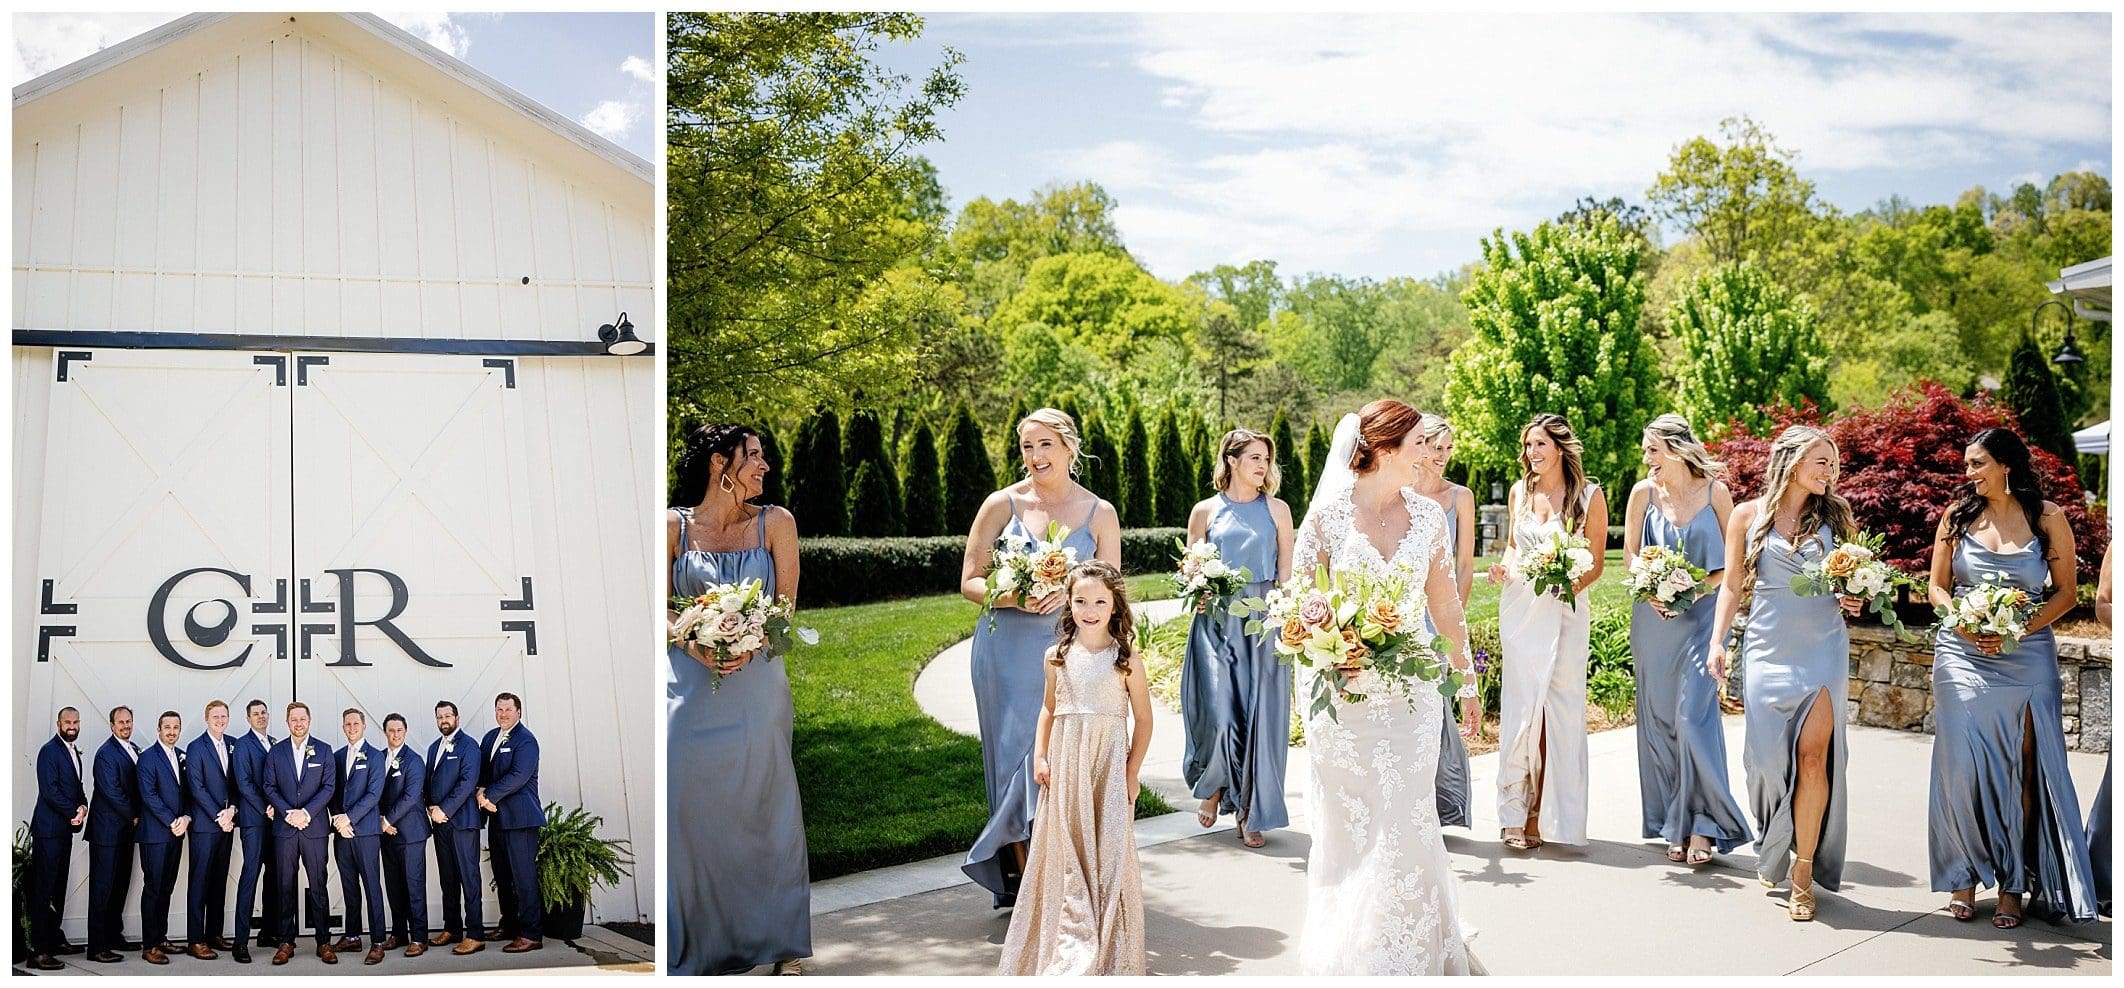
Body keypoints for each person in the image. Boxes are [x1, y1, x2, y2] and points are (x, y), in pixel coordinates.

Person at [1294, 401, 1478, 974]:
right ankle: (1354, 945)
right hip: (1343, 701)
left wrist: (1466, 683)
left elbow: (1445, 608)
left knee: (1406, 815)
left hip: (1410, 699)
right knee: (1352, 826)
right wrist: (1329, 645)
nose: (1430, 452)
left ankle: (1407, 951)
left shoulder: (1428, 518)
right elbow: (1296, 609)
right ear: (1384, 447)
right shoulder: (1325, 520)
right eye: (1419, 442)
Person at [1924, 428, 2096, 927]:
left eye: (1977, 463)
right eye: (1967, 464)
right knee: (1960, 767)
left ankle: (2013, 884)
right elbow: (1937, 587)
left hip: (2026, 655)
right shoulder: (1956, 517)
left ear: (2006, 465)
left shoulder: (2048, 517)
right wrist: (1963, 619)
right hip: (1961, 653)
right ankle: (1961, 875)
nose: (1969, 473)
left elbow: (2066, 594)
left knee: (2022, 768)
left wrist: (2017, 627)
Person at [959, 408, 1122, 908]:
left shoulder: (1100, 512)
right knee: (1016, 763)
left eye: (1045, 444)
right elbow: (970, 582)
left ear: (1070, 447)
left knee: (1059, 763)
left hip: (1070, 655)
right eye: (1028, 446)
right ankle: (1033, 890)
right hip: (1005, 654)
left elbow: (1111, 591)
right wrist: (1015, 595)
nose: (1035, 456)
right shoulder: (999, 505)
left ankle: (1066, 877)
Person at [667, 423, 810, 974]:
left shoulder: (777, 523)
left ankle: (780, 943)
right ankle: (701, 942)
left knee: (765, 803)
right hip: (689, 683)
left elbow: (786, 604)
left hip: (758, 684)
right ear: (718, 463)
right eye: (753, 455)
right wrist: (696, 640)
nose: (764, 465)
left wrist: (750, 638)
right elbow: (662, 608)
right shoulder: (674, 527)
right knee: (690, 803)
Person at [1705, 425, 1862, 921]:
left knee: (1814, 760)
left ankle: (1803, 873)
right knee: (1767, 765)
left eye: (1833, 463)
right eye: (1822, 461)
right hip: (1767, 649)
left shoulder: (1836, 516)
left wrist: (1856, 595)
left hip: (1823, 649)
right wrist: (1718, 641)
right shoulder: (1748, 516)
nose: (1830, 471)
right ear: (1793, 461)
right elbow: (1731, 586)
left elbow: (1851, 579)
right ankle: (1773, 838)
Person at [998, 560, 1152, 975]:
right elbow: (1049, 709)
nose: (1090, 609)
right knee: (1069, 852)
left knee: (1108, 852)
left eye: (1100, 601)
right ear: (1068, 602)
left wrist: (1131, 770)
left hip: (1106, 767)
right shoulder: (1057, 656)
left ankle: (1108, 945)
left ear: (1115, 606)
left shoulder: (1125, 658)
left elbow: (1145, 719)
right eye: (1081, 600)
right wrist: (1040, 755)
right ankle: (1070, 941)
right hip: (1067, 768)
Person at [1622, 415, 1751, 866]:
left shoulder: (1716, 492)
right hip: (1653, 620)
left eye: (1652, 450)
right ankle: (1676, 824)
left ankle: (1705, 825)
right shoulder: (1642, 494)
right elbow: (1631, 555)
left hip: (1701, 618)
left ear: (1676, 449)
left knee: (1694, 718)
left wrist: (1691, 590)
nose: (1647, 459)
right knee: (1660, 722)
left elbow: (1735, 565)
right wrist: (1652, 587)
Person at [1488, 413, 1605, 850]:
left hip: (1566, 612)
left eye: (1540, 445)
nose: (1532, 453)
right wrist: (1503, 568)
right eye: (1528, 446)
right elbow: (1516, 549)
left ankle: (1546, 815)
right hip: (1520, 609)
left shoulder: (1589, 496)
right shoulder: (1521, 491)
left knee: (1557, 710)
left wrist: (1566, 584)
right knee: (1521, 709)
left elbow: (1593, 561)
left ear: (1559, 448)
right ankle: (1513, 814)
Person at [1180, 428, 1295, 848]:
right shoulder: (1205, 511)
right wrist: (1197, 587)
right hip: (1217, 619)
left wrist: (1288, 617)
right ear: (1231, 461)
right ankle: (1214, 785)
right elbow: (1190, 566)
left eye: (1266, 459)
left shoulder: (1277, 509)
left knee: (1261, 715)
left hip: (1264, 618)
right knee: (1220, 711)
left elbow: (1287, 572)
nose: (1263, 466)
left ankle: (1251, 810)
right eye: (1254, 458)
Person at [1411, 414, 1482, 827]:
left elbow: (1466, 563)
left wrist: (1452, 617)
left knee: (1438, 703)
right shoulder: (1399, 492)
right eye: (1436, 447)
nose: (1443, 456)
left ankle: (1444, 805)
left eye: (1448, 448)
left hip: (1442, 612)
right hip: (1403, 610)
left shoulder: (1461, 497)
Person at [266, 702, 338, 965]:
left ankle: (324, 941)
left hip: (314, 828)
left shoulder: (324, 750)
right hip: (285, 829)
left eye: (302, 719)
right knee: (284, 885)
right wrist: (288, 813)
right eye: (293, 719)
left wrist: (306, 813)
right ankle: (286, 941)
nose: (298, 723)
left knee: (318, 885)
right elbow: (269, 787)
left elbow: (329, 787)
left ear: (309, 720)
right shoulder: (276, 752)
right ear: (287, 723)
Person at [480, 691, 545, 952]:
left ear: (519, 711)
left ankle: (531, 934)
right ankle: (510, 925)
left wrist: (488, 796)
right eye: (499, 710)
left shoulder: (526, 741)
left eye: (508, 709)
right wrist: (480, 789)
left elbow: (519, 775)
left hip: (520, 820)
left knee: (524, 876)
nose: (503, 714)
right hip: (497, 819)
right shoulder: (489, 738)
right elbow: (484, 769)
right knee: (503, 875)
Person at [29, 706, 89, 970]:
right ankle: (38, 951)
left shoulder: (74, 751)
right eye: (68, 722)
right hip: (48, 831)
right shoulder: (49, 751)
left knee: (58, 888)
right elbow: (50, 790)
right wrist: (71, 811)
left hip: (64, 830)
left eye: (76, 722)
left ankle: (53, 939)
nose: (72, 726)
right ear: (58, 724)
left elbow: (78, 788)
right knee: (44, 890)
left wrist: (83, 807)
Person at [426, 700, 486, 954]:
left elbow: (467, 782)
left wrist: (445, 809)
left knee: (468, 877)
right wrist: (430, 807)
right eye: (440, 717)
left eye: (448, 716)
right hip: (440, 824)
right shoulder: (433, 748)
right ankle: (452, 928)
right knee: (448, 879)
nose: (444, 720)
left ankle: (475, 934)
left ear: (457, 719)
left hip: (462, 823)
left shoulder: (469, 745)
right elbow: (429, 781)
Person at [332, 709, 390, 964]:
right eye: (348, 724)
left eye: (356, 723)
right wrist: (337, 820)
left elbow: (374, 794)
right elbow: (331, 793)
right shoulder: (337, 757)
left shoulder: (376, 756)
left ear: (364, 726)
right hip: (342, 833)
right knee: (349, 887)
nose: (352, 727)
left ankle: (378, 941)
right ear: (343, 727)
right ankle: (353, 936)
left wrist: (349, 818)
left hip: (365, 832)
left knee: (371, 886)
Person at [182, 700, 239, 959]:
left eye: (223, 716)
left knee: (219, 881)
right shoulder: (196, 748)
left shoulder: (233, 744)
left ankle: (214, 934)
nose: (220, 720)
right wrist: (220, 816)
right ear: (206, 719)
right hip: (206, 827)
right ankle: (195, 939)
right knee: (199, 882)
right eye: (215, 716)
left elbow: (237, 783)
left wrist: (233, 811)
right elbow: (197, 788)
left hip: (227, 825)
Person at [87, 706, 142, 964]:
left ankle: (113, 935)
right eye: (120, 722)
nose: (125, 725)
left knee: (120, 885)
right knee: (102, 888)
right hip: (107, 832)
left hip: (125, 833)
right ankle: (97, 946)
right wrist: (135, 814)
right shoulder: (106, 754)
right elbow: (112, 791)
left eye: (128, 721)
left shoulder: (134, 749)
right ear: (111, 725)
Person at [229, 699, 283, 960]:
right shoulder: (242, 745)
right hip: (254, 821)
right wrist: (265, 807)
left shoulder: (274, 742)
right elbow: (244, 783)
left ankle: (269, 932)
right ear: (248, 718)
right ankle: (240, 941)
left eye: (264, 712)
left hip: (276, 822)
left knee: (274, 876)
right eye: (255, 714)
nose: (261, 717)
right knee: (250, 876)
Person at [136, 709, 190, 965]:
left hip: (176, 834)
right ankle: (149, 945)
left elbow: (187, 794)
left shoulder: (181, 756)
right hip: (155, 835)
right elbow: (149, 796)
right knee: (154, 888)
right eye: (167, 727)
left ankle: (161, 937)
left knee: (166, 888)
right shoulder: (147, 758)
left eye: (175, 727)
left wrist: (186, 819)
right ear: (159, 730)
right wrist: (172, 821)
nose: (171, 732)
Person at [378, 713, 431, 956]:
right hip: (387, 834)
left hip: (410, 833)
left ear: (405, 731)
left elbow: (411, 797)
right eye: (391, 730)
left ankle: (419, 937)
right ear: (385, 732)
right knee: (394, 886)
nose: (395, 734)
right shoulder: (378, 758)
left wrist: (387, 819)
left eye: (399, 730)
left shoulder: (414, 760)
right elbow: (372, 792)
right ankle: (398, 933)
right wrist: (381, 821)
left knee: (414, 885)